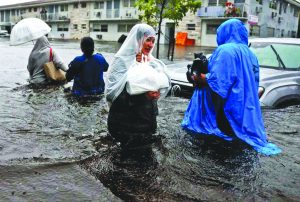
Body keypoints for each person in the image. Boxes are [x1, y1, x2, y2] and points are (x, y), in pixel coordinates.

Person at [182, 19, 281, 155]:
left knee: (221, 149)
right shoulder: (250, 54)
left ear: (224, 33)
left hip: (226, 109)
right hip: (245, 111)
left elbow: (218, 82)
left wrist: (197, 77)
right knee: (240, 148)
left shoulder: (225, 50)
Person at [105, 24, 170, 149]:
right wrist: (144, 95)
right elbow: (111, 94)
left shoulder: (150, 61)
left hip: (146, 124)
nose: (151, 44)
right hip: (126, 126)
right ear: (138, 39)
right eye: (148, 40)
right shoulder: (121, 61)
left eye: (153, 41)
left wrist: (156, 93)